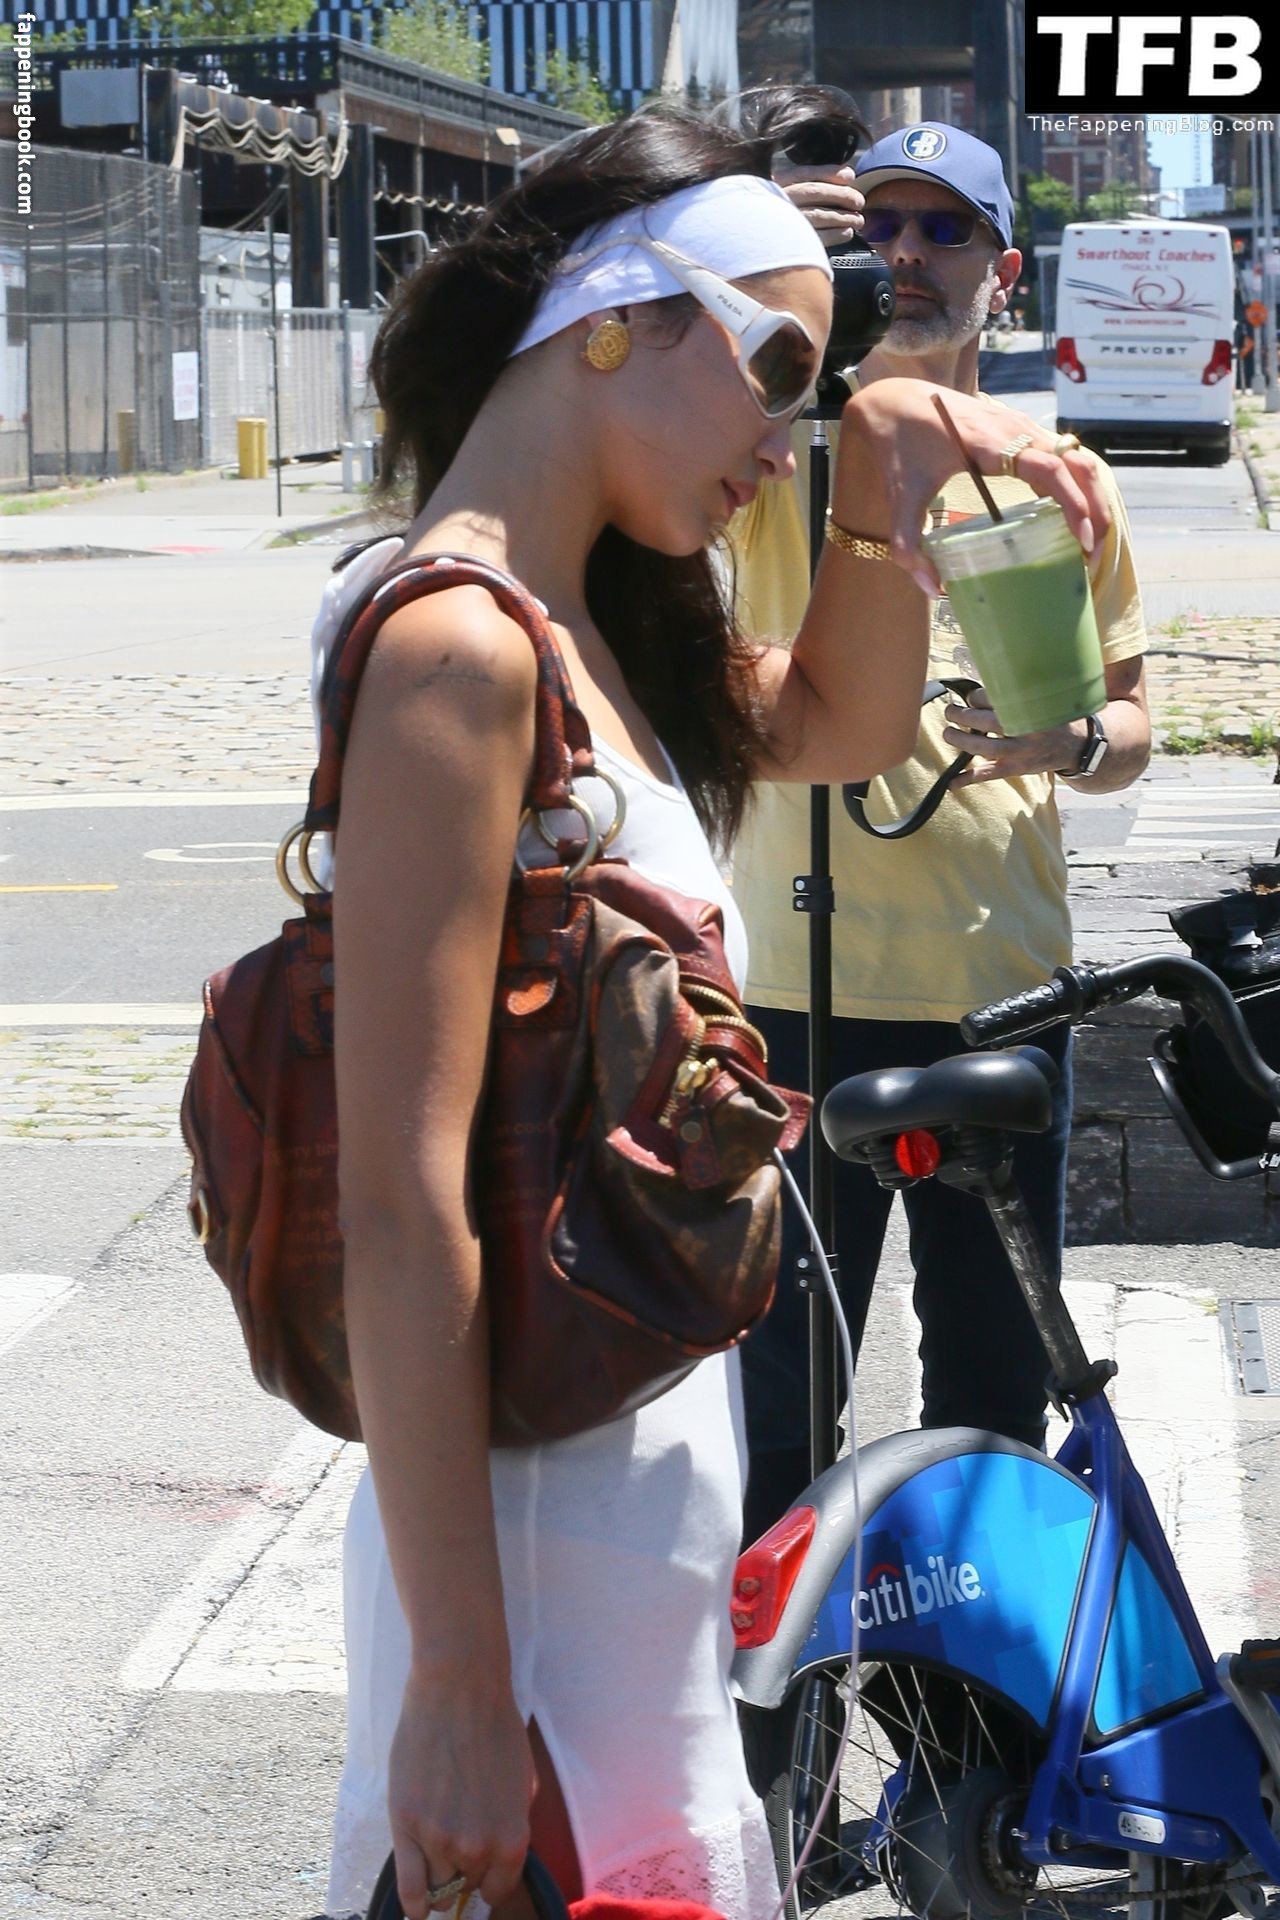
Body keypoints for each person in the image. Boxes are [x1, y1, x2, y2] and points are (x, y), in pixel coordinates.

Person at [311, 98, 1111, 1920]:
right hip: (533, 1546)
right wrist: (458, 1679)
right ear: (616, 318)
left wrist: (882, 456)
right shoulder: (457, 645)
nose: (778, 437)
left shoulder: (582, 620)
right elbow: (399, 1200)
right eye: (773, 372)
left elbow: (840, 726)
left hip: (630, 1499)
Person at [730, 119, 1151, 1547]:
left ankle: (967, 1696)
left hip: (1001, 992)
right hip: (794, 989)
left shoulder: (1059, 470)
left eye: (941, 229)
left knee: (993, 1403)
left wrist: (1071, 744)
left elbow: (1131, 722)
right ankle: (779, 1690)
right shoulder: (771, 451)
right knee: (780, 1407)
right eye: (877, 227)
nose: (903, 255)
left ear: (1003, 271)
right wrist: (763, 270)